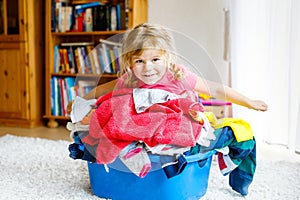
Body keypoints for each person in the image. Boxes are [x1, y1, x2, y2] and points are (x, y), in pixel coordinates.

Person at [67, 23, 268, 196]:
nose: (148, 68)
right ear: (129, 63)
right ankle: (130, 151)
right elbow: (102, 90)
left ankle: (239, 182)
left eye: (155, 60)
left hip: (180, 132)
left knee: (241, 135)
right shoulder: (129, 80)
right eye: (140, 61)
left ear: (168, 58)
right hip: (144, 138)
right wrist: (80, 101)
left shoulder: (178, 76)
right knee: (106, 120)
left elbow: (214, 88)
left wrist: (248, 101)